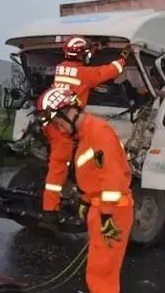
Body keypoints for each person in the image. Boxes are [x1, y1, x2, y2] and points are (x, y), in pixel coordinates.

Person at [37, 87, 132, 293]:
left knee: (102, 274)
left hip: (111, 211)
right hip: (102, 208)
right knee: (98, 272)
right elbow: (97, 176)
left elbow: (112, 182)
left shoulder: (98, 132)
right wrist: (85, 202)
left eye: (57, 121)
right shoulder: (86, 134)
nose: (57, 127)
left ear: (70, 111)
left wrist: (106, 218)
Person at [41, 36, 131, 222]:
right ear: (82, 55)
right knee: (59, 165)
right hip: (65, 124)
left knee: (61, 163)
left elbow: (78, 68)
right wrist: (123, 56)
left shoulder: (61, 68)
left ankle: (64, 196)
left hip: (53, 121)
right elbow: (110, 71)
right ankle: (50, 209)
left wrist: (96, 48)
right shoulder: (85, 74)